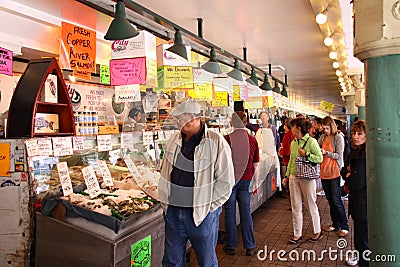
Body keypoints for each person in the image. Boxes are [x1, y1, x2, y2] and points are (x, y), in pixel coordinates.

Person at [158, 98, 235, 267]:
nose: (179, 122)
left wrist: (209, 208)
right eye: (178, 118)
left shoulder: (216, 141)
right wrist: (165, 202)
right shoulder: (173, 140)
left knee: (206, 262)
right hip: (174, 212)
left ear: (195, 117)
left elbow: (226, 182)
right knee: (171, 261)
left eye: (183, 118)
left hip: (201, 216)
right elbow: (165, 171)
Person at [223, 112, 259, 256]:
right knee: (245, 212)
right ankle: (250, 246)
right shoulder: (252, 140)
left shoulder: (227, 139)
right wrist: (255, 182)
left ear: (232, 122)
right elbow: (255, 164)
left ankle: (231, 246)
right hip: (247, 180)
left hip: (231, 181)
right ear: (246, 122)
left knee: (230, 212)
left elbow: (222, 163)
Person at [282, 118, 323, 244]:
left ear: (298, 128)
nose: (291, 129)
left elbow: (319, 158)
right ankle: (297, 233)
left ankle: (317, 231)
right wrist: (287, 175)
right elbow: (291, 160)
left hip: (307, 177)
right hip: (294, 177)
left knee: (311, 204)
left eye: (293, 126)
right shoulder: (294, 142)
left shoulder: (311, 142)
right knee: (296, 206)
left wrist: (307, 155)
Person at [318, 116, 349, 237]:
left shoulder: (338, 138)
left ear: (331, 126)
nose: (325, 130)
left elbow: (339, 156)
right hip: (324, 172)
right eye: (324, 128)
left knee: (336, 200)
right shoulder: (322, 137)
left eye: (327, 128)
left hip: (335, 172)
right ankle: (336, 224)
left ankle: (344, 225)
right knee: (330, 200)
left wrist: (327, 153)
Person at [344, 120, 368, 267]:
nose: (355, 136)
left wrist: (348, 175)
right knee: (361, 239)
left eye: (359, 133)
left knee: (362, 241)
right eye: (353, 133)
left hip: (362, 204)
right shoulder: (360, 152)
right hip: (360, 204)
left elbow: (357, 182)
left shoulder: (363, 156)